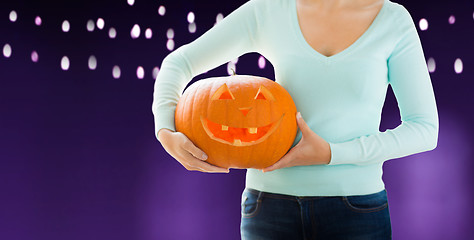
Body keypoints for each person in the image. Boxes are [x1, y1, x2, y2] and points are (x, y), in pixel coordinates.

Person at [152, 0, 439, 239]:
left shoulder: (393, 21)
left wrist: (332, 153)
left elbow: (425, 129)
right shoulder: (269, 10)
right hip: (267, 208)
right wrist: (165, 131)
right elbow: (178, 64)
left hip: (358, 210)